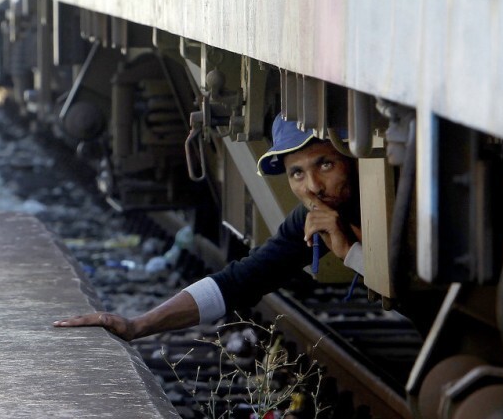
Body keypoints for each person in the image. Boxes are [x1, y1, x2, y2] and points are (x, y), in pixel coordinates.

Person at [53, 114, 363, 341]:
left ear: (352, 158)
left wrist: (350, 253)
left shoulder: (397, 209)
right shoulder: (311, 218)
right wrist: (137, 326)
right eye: (296, 173)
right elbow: (239, 281)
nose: (313, 187)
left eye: (326, 164)